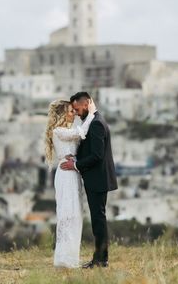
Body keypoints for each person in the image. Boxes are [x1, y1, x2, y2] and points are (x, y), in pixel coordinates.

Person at [60, 91, 118, 268]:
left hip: (98, 179)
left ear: (85, 104)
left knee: (98, 220)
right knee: (97, 219)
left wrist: (75, 165)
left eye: (77, 109)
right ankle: (99, 258)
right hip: (97, 178)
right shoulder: (93, 121)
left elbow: (97, 155)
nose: (76, 112)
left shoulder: (96, 124)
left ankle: (101, 259)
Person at [45, 98, 96, 267]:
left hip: (73, 172)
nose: (73, 113)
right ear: (62, 114)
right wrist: (92, 114)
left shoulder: (67, 129)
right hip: (66, 173)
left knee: (75, 214)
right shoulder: (58, 131)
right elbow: (80, 133)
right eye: (70, 111)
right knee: (67, 214)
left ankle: (70, 257)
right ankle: (64, 259)